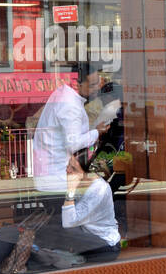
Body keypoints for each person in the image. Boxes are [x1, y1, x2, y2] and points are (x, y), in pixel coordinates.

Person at [32, 63, 111, 207]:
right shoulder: (70, 105)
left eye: (97, 83)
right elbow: (73, 143)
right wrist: (97, 132)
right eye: (92, 85)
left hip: (52, 178)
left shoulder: (64, 95)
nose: (96, 89)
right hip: (59, 181)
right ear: (77, 83)